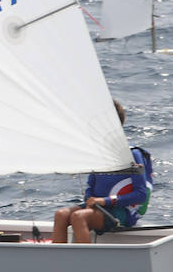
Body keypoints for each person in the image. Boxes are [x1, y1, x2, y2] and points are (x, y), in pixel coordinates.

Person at [51, 101, 154, 243]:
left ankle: (85, 262)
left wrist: (104, 201)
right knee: (61, 214)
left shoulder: (133, 155)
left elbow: (141, 195)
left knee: (79, 217)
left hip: (122, 211)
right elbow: (90, 186)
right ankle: (56, 261)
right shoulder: (99, 154)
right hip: (97, 208)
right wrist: (89, 198)